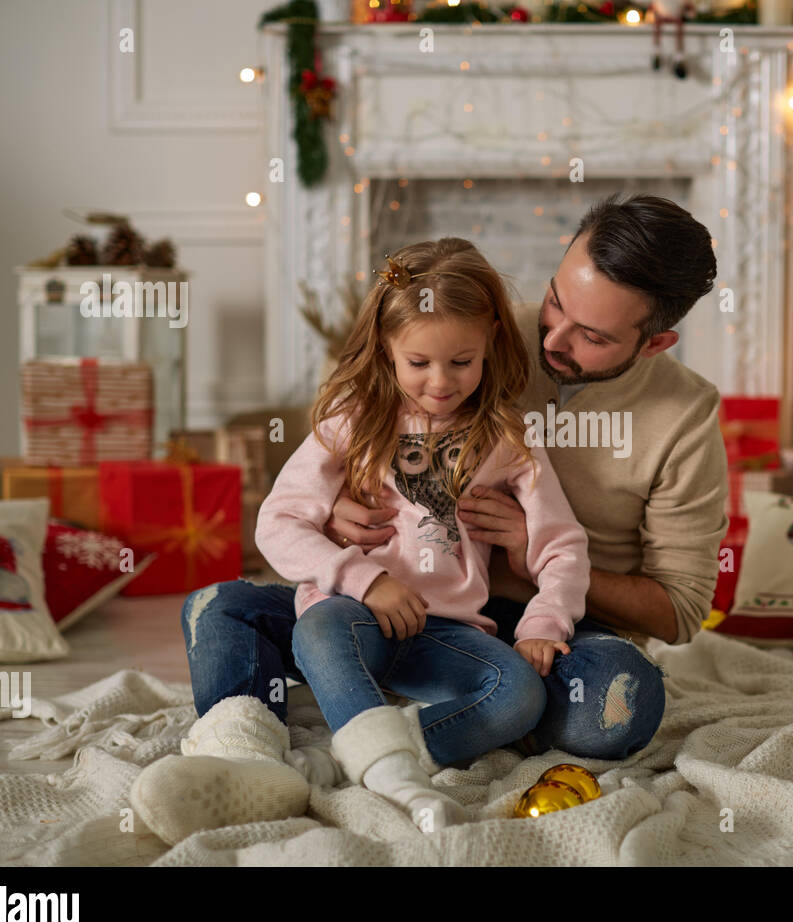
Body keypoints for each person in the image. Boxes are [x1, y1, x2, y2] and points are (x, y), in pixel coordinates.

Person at [171, 193, 727, 809]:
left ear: (655, 343)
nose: (551, 337)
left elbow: (680, 610)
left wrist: (527, 554)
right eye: (554, 301)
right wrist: (332, 519)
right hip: (379, 595)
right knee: (219, 608)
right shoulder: (470, 321)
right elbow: (326, 459)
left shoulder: (683, 418)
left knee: (617, 705)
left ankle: (375, 735)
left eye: (591, 336)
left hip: (544, 631)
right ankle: (245, 751)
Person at [130, 238, 590, 843]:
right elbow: (277, 521)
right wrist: (364, 579)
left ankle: (340, 763)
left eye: (462, 361)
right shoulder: (352, 420)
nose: (441, 382)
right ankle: (250, 757)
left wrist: (542, 625)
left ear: (490, 347)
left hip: (441, 635)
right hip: (346, 626)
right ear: (386, 350)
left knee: (518, 696)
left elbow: (564, 547)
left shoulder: (507, 439)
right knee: (222, 607)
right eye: (419, 362)